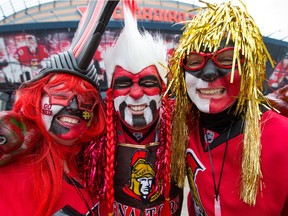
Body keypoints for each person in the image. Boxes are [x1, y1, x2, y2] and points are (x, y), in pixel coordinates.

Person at [168, 1, 288, 215]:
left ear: (249, 68)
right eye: (195, 62)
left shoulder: (282, 135)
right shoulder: (182, 126)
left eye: (226, 60)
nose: (208, 73)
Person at [0, 0, 119, 215]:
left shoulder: (91, 167)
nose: (73, 107)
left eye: (85, 101)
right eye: (61, 95)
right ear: (36, 99)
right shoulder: (10, 168)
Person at [102, 0, 183, 215]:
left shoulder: (183, 123)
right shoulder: (95, 127)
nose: (136, 94)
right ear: (110, 91)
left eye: (147, 83)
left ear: (162, 88)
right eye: (124, 83)